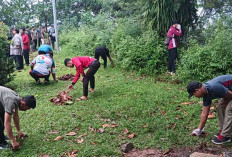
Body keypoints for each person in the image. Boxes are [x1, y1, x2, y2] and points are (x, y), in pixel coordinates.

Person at [187, 75, 232, 145]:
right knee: (221, 105)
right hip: (230, 92)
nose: (195, 97)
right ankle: (223, 130)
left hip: (230, 94)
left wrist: (226, 102)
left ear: (197, 90)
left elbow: (230, 95)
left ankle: (225, 136)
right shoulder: (206, 94)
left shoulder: (214, 87)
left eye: (194, 94)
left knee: (230, 109)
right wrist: (199, 130)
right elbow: (204, 113)